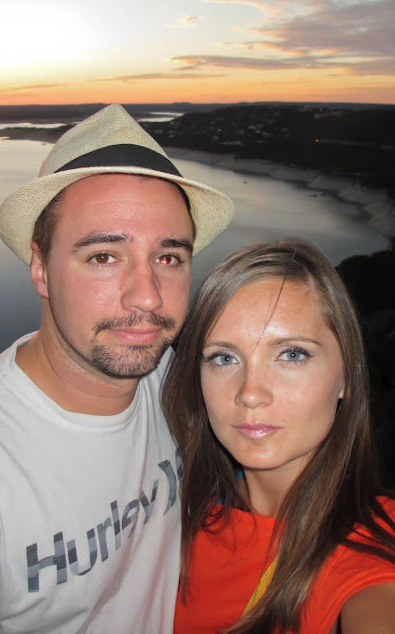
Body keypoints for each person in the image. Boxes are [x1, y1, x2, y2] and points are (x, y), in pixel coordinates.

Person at [0, 104, 234, 633]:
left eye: (169, 258)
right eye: (104, 256)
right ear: (40, 268)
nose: (148, 296)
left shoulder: (170, 378)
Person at [162, 238, 395, 634]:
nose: (250, 392)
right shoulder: (176, 515)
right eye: (224, 358)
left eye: (291, 354)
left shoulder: (373, 544)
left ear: (346, 377)